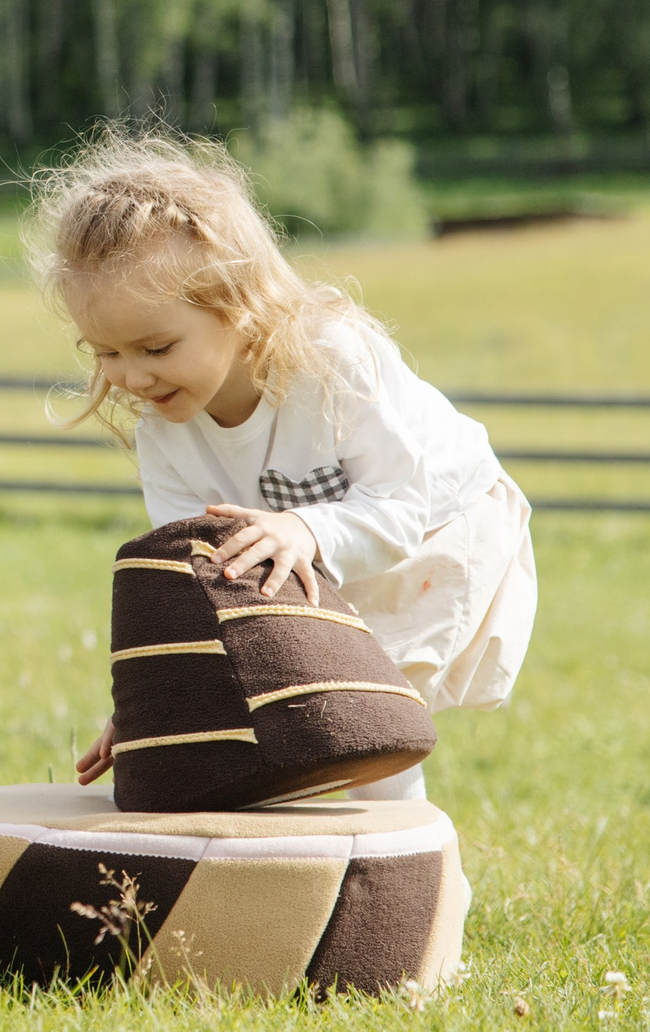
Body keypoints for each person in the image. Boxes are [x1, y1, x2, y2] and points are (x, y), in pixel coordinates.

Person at [28, 129, 537, 802]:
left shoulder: (332, 359)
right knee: (267, 725)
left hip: (442, 526)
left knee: (371, 720)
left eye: (155, 345)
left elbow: (402, 504)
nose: (131, 376)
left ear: (237, 304)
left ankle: (416, 888)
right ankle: (282, 877)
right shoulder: (167, 435)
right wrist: (155, 704)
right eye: (106, 353)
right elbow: (205, 589)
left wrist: (305, 528)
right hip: (319, 553)